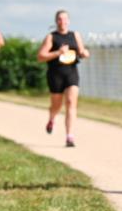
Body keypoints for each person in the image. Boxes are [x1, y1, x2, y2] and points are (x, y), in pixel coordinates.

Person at [37, 10, 89, 147]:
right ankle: (52, 119)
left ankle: (69, 136)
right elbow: (41, 56)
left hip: (71, 71)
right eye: (60, 19)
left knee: (71, 102)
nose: (62, 21)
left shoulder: (75, 35)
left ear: (69, 21)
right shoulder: (51, 37)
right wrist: (58, 52)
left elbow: (82, 51)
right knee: (56, 105)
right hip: (55, 73)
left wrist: (84, 53)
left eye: (65, 19)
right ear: (56, 21)